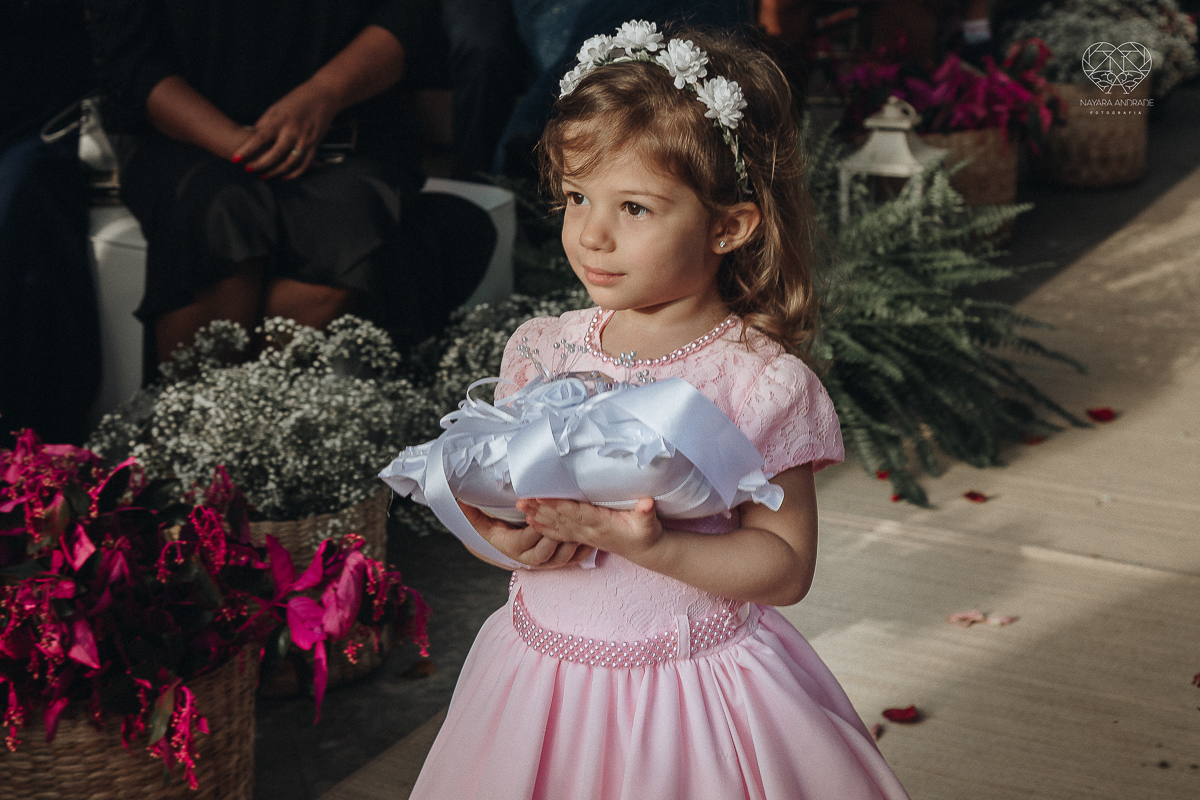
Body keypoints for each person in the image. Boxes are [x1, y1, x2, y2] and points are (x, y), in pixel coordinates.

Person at [408, 21, 911, 799]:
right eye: (578, 196)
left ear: (728, 226)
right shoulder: (541, 351)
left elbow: (785, 566)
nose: (592, 233)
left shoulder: (756, 383)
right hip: (542, 682)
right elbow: (498, 513)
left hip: (694, 695)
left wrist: (649, 545)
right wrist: (505, 538)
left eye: (635, 208)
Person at [85, 0, 480, 366]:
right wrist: (236, 141)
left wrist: (324, 94)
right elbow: (129, 56)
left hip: (349, 124)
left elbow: (407, 19)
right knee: (219, 215)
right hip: (181, 132)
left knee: (349, 231)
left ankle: (232, 417)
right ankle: (199, 419)